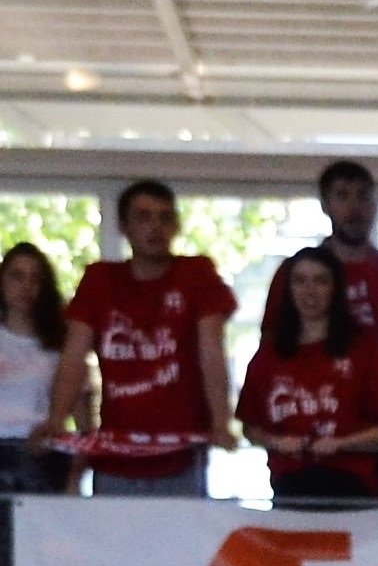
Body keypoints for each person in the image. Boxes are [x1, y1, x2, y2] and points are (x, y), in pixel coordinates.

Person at [263, 161, 378, 501]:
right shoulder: (296, 274)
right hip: (308, 442)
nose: (353, 208)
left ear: (375, 206)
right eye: (342, 197)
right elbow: (271, 355)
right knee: (307, 546)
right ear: (325, 205)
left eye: (362, 197)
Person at [47, 180, 236, 496]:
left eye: (164, 217)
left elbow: (211, 352)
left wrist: (220, 423)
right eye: (144, 217)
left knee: (180, 541)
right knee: (114, 542)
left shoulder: (196, 274)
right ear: (124, 226)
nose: (155, 227)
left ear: (176, 226)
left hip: (181, 453)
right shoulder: (99, 280)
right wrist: (56, 418)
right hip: (115, 451)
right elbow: (74, 356)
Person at [236, 247, 378, 505]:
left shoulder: (364, 352)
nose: (310, 291)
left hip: (352, 484)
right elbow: (250, 426)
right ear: (288, 289)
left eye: (320, 281)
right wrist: (277, 441)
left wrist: (342, 444)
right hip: (289, 485)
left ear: (335, 288)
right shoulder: (268, 358)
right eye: (300, 281)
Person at [0, 241, 75, 494]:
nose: (26, 288)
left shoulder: (61, 345)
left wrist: (76, 476)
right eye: (17, 276)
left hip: (42, 455)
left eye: (35, 279)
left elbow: (84, 422)